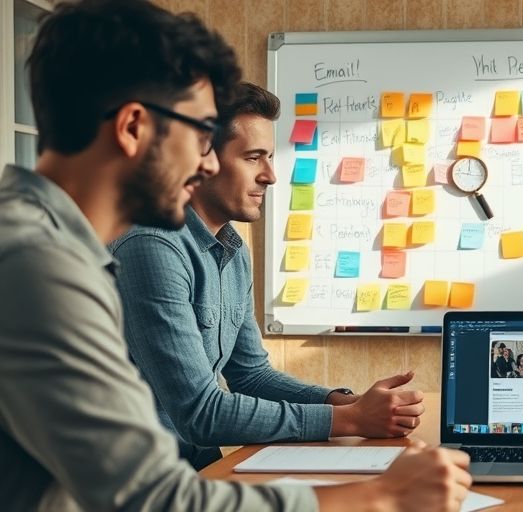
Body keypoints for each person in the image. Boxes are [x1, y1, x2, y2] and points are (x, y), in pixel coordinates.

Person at [0, 1, 470, 510]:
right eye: (201, 134)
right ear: (134, 128)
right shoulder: (38, 266)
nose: (206, 162)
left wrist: (347, 409)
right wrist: (380, 494)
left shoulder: (55, 249)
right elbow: (156, 494)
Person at [108, 82, 424, 470]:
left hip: (192, 466)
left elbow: (251, 375)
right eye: (253, 157)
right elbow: (200, 413)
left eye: (270, 157)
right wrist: (350, 421)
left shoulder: (232, 250)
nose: (271, 176)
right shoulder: (151, 248)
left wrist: (344, 403)